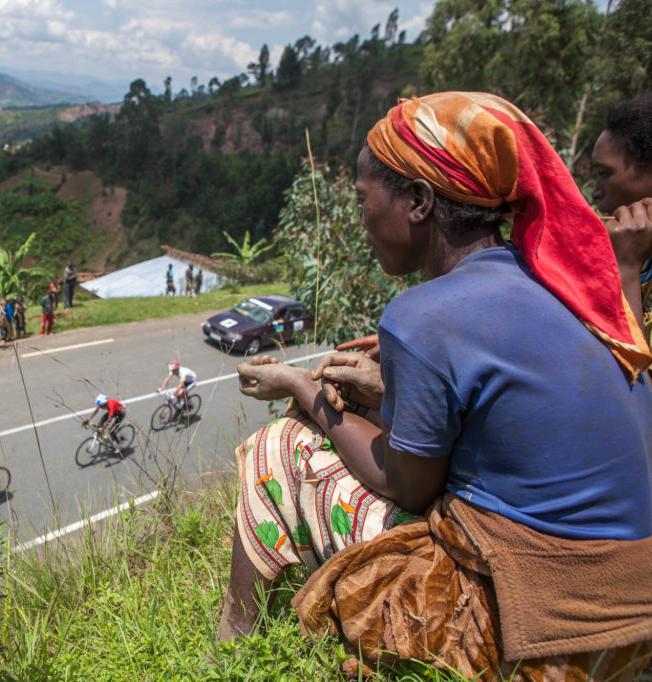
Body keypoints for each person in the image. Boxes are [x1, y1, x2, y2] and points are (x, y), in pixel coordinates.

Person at [218, 92, 652, 680]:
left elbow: (407, 485)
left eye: (363, 200)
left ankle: (229, 645)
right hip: (636, 608)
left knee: (281, 449)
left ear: (419, 201)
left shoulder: (422, 315)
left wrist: (302, 388)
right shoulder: (561, 284)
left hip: (550, 636)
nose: (361, 219)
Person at [592, 92, 652, 343]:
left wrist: (626, 268)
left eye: (605, 174)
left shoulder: (630, 261)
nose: (595, 192)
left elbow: (633, 380)